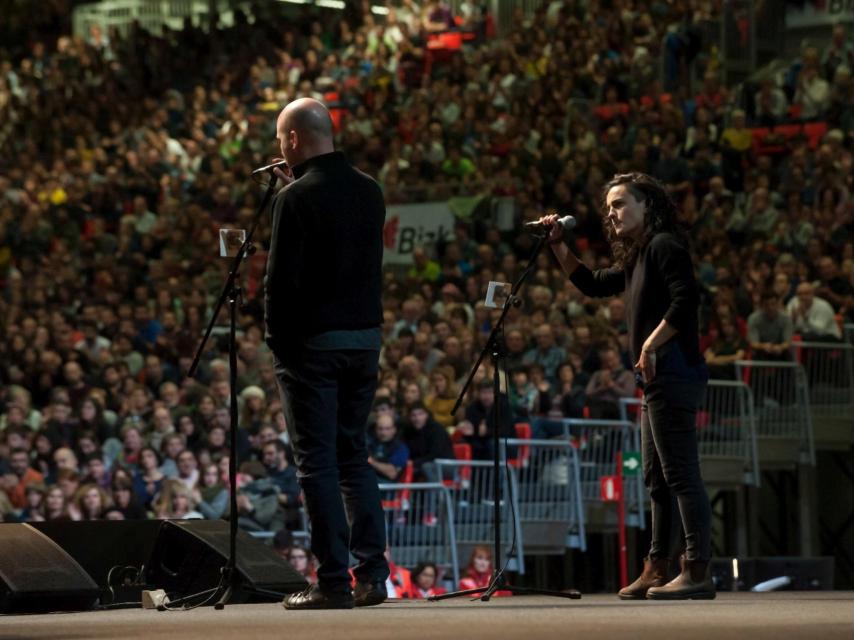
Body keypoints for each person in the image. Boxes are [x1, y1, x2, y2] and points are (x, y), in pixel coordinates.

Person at [538, 172, 714, 600]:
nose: (612, 213)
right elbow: (593, 284)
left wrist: (652, 343)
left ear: (646, 206)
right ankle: (657, 567)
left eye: (620, 204)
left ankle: (697, 569)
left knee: (680, 474)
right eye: (610, 206)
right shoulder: (640, 255)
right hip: (655, 378)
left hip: (673, 372)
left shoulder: (664, 245)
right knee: (656, 478)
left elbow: (686, 299)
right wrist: (559, 245)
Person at [266, 98, 389, 609]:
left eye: (280, 140)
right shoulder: (371, 190)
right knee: (352, 459)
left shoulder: (294, 199)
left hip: (313, 346)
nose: (279, 148)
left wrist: (278, 344)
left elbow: (281, 283)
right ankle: (372, 576)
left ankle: (333, 582)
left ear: (293, 139)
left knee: (315, 464)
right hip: (364, 341)